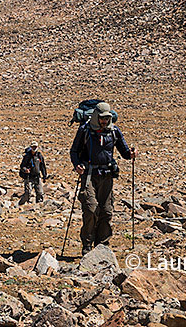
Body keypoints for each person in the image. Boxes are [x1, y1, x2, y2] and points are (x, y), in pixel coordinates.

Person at [69, 102, 136, 256]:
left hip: (107, 175)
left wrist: (131, 154)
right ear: (95, 117)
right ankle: (87, 246)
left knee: (106, 211)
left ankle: (102, 246)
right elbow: (74, 151)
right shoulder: (85, 130)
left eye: (107, 118)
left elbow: (124, 152)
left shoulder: (114, 131)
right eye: (102, 118)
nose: (104, 121)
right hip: (89, 175)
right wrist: (77, 165)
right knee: (91, 209)